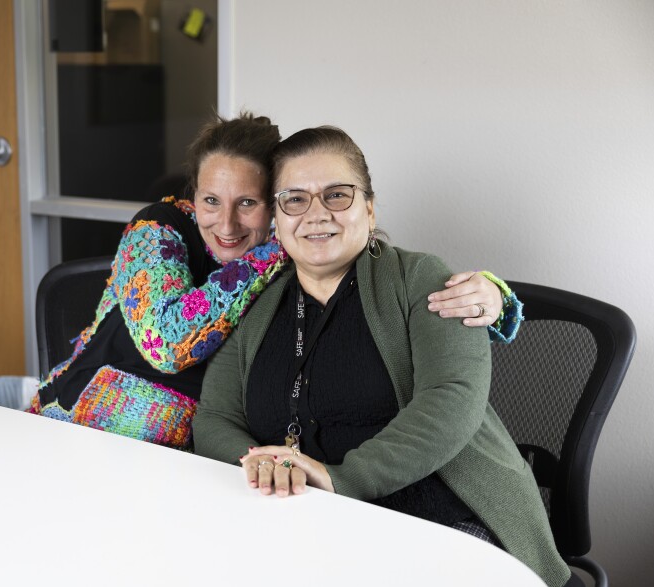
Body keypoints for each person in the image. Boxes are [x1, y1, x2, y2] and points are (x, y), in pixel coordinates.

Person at [0, 112, 518, 450]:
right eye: (210, 200)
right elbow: (167, 342)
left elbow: (375, 274)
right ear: (192, 196)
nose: (225, 224)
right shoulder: (161, 227)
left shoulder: (291, 258)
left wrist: (496, 294)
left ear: (273, 204)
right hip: (58, 425)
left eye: (248, 203)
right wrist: (273, 247)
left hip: (167, 466)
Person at [192, 126, 571, 587]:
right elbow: (214, 416)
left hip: (441, 516)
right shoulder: (260, 298)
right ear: (278, 217)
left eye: (336, 195)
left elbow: (452, 401)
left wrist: (340, 479)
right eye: (295, 199)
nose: (315, 214)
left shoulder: (420, 279)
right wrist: (259, 464)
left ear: (369, 209)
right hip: (315, 528)